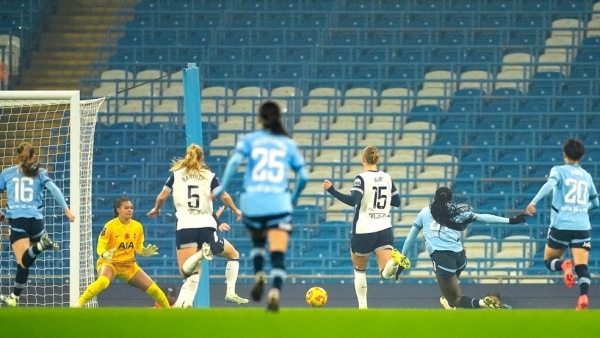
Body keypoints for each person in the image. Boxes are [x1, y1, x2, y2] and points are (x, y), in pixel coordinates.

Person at [209, 101, 308, 312]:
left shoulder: (250, 140)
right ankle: (275, 291)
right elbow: (304, 177)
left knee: (258, 244)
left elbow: (235, 162)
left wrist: (221, 188)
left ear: (259, 118)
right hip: (279, 203)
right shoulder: (288, 143)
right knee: (278, 253)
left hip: (252, 202)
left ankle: (259, 273)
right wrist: (294, 197)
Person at [147, 143, 248, 307]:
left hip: (185, 226)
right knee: (234, 254)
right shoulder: (209, 176)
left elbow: (161, 197)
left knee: (187, 272)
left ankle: (201, 255)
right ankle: (197, 301)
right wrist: (236, 209)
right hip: (207, 226)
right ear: (202, 158)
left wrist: (156, 208)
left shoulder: (176, 175)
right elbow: (224, 196)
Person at [398, 186, 528, 310]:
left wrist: (402, 261)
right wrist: (511, 220)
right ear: (450, 199)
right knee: (450, 291)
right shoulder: (457, 210)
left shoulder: (425, 212)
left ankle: (483, 302)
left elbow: (410, 238)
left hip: (443, 258)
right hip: (460, 258)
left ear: (435, 198)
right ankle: (448, 300)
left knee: (455, 299)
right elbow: (484, 218)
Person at [322, 145, 411, 309]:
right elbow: (397, 202)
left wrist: (331, 190)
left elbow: (352, 201)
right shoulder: (386, 177)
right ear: (378, 160)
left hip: (364, 229)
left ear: (363, 159)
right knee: (386, 273)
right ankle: (394, 263)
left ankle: (363, 307)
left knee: (359, 269)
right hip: (384, 227)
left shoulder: (361, 178)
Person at [526, 138, 599, 310]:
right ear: (581, 156)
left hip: (561, 225)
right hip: (582, 226)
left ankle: (564, 265)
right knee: (582, 266)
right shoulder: (587, 177)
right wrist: (582, 209)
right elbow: (596, 204)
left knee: (549, 260)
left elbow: (549, 185)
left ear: (564, 154)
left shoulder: (558, 170)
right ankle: (583, 296)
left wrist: (533, 201)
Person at [0, 142, 75, 307]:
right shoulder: (40, 172)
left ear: (17, 156)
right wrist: (67, 210)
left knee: (23, 262)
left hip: (18, 221)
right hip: (37, 221)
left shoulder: (6, 173)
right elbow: (54, 189)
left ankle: (41, 245)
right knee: (27, 260)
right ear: (34, 156)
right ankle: (14, 297)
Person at [76, 197, 170, 308]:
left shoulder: (137, 226)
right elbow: (100, 245)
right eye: (126, 208)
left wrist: (143, 252)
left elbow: (138, 247)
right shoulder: (110, 226)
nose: (130, 210)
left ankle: (169, 312)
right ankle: (77, 306)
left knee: (155, 290)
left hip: (129, 266)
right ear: (118, 210)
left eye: (131, 208)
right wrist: (104, 254)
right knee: (102, 282)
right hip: (111, 263)